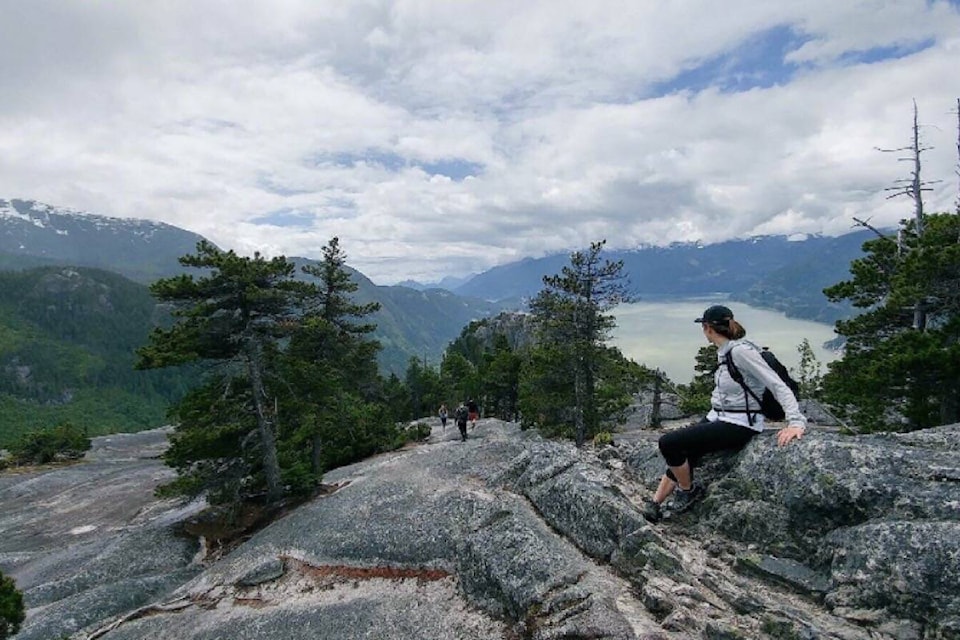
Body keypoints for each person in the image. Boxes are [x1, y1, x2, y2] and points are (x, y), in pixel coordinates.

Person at [642, 305, 806, 524]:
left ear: (707, 328)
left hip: (740, 424)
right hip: (719, 416)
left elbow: (777, 385)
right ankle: (656, 503)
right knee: (683, 452)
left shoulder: (741, 352)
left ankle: (687, 490)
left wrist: (796, 422)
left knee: (668, 443)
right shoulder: (727, 352)